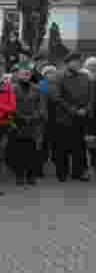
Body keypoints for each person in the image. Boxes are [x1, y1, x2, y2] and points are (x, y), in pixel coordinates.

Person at [48, 52, 92, 182]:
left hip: (81, 117)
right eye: (76, 61)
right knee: (62, 147)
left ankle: (78, 172)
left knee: (79, 147)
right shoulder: (58, 76)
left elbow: (91, 96)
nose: (79, 63)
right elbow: (56, 97)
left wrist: (86, 109)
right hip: (64, 118)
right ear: (68, 62)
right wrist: (73, 110)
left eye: (80, 61)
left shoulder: (85, 77)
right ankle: (62, 173)